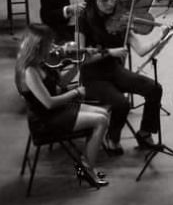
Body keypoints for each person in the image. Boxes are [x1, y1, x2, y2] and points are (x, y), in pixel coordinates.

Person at [15, 24, 110, 187]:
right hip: (45, 120)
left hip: (57, 111)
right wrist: (76, 92)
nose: (54, 47)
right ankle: (86, 169)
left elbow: (60, 85)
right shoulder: (29, 71)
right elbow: (49, 103)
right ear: (38, 46)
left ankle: (86, 161)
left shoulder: (41, 62)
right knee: (101, 121)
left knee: (103, 112)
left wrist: (78, 65)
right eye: (49, 43)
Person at [78, 0, 165, 155]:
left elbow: (141, 50)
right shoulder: (84, 20)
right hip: (93, 77)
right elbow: (80, 58)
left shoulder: (119, 17)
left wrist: (161, 38)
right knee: (122, 103)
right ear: (93, 1)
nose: (111, 3)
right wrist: (109, 52)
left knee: (154, 88)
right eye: (104, 0)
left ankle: (145, 133)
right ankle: (112, 138)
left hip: (114, 71)